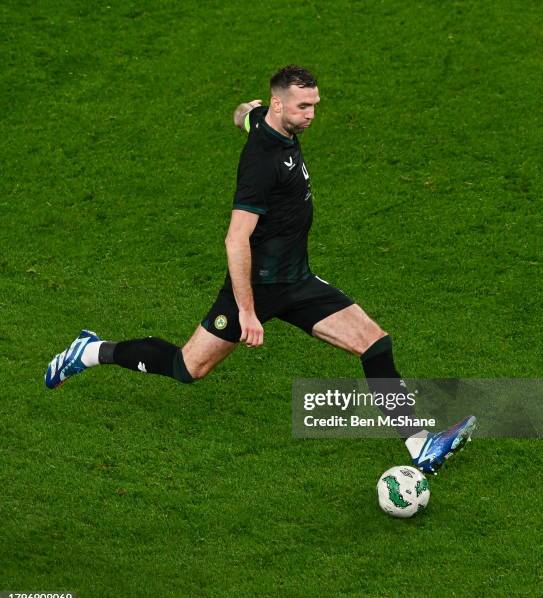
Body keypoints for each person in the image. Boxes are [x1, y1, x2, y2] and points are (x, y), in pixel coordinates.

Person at [44, 65, 476, 473]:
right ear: (279, 103)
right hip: (255, 287)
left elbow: (244, 114)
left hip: (297, 280)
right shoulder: (261, 162)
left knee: (375, 343)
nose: (312, 115)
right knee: (187, 367)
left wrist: (242, 114)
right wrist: (247, 312)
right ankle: (92, 350)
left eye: (315, 105)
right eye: (303, 107)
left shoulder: (268, 121)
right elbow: (235, 239)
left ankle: (420, 444)